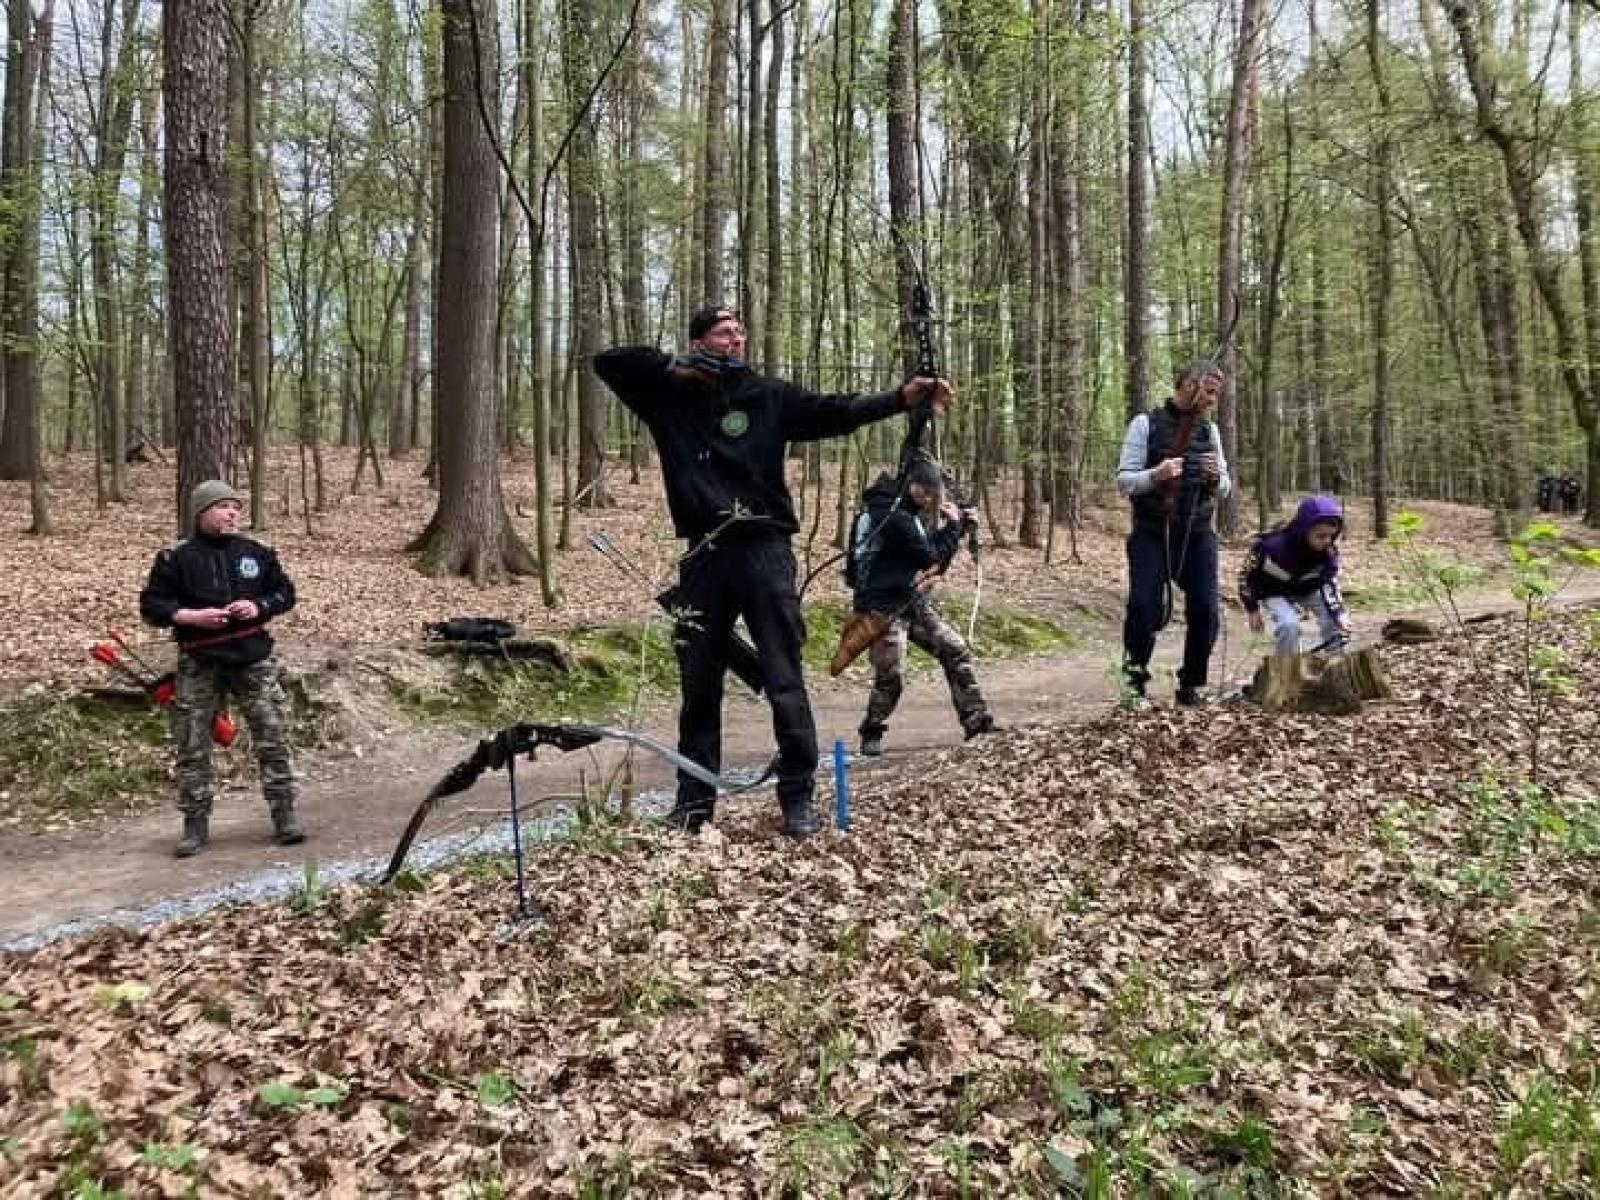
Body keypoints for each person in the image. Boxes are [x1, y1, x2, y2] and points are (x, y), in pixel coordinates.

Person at [594, 305, 953, 837]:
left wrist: (902, 399)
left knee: (784, 677)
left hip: (765, 551)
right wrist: (675, 369)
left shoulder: (766, 395)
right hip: (704, 554)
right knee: (699, 685)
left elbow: (837, 410)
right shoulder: (666, 396)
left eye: (739, 332)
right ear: (697, 342)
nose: (735, 340)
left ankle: (797, 800)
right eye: (722, 333)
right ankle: (693, 806)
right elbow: (610, 362)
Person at [139, 481, 303, 857]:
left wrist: (259, 607)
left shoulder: (257, 552)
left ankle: (285, 815)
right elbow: (152, 606)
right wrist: (191, 616)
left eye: (236, 507)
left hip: (252, 659)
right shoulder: (176, 557)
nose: (232, 513)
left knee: (273, 736)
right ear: (202, 512)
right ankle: (195, 825)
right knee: (192, 744)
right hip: (199, 661)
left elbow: (285, 594)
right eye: (224, 507)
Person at [847, 458, 994, 757]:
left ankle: (976, 721)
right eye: (923, 490)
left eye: (932, 492)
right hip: (881, 608)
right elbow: (928, 557)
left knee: (954, 650)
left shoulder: (905, 512)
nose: (928, 498)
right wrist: (953, 526)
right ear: (909, 483)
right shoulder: (890, 516)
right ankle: (871, 731)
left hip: (910, 600)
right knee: (892, 675)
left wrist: (959, 527)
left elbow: (930, 556)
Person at [1116, 360, 1232, 707]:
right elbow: (1124, 481)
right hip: (1153, 531)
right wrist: (1156, 475)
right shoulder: (1145, 424)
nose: (1213, 400)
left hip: (1198, 533)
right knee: (1143, 607)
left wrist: (1215, 479)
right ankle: (1134, 686)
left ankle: (1191, 685)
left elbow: (1225, 487)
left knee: (1206, 610)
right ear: (1189, 385)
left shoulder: (1209, 432)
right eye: (1209, 392)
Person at [1238, 495, 1351, 656]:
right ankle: (1287, 669)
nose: (1327, 541)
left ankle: (1337, 661)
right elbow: (1246, 577)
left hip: (1308, 589)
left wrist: (1338, 612)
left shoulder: (1328, 555)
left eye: (1331, 536)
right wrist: (1252, 609)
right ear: (1304, 529)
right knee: (1289, 625)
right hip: (1273, 591)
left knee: (1334, 620)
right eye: (1321, 536)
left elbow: (1329, 584)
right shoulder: (1270, 549)